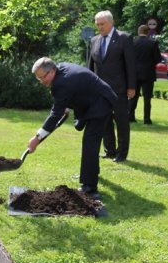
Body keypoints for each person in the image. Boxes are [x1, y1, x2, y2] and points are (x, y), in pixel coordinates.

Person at [28, 57, 118, 197]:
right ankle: (91, 174)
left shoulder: (61, 83)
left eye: (42, 78)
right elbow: (74, 89)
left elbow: (55, 114)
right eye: (38, 79)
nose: (41, 82)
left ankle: (89, 187)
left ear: (51, 71)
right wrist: (66, 104)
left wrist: (37, 137)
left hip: (101, 103)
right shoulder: (60, 69)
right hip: (93, 101)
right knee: (90, 142)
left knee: (90, 143)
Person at [89, 10, 136, 163]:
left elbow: (131, 65)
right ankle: (109, 150)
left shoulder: (124, 38)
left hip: (119, 89)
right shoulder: (94, 40)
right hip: (99, 89)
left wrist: (131, 86)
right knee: (104, 120)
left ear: (111, 23)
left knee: (121, 121)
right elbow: (91, 65)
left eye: (102, 24)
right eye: (97, 25)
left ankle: (122, 153)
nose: (99, 27)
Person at [129, 24, 161, 124]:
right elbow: (158, 59)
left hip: (135, 74)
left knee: (133, 96)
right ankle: (146, 119)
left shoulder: (132, 42)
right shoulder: (153, 43)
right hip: (148, 74)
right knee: (147, 98)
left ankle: (130, 116)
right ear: (148, 32)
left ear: (138, 32)